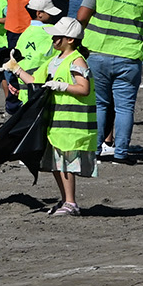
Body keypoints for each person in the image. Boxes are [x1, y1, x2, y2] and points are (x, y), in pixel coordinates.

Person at [79, 0, 143, 162]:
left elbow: (82, 16)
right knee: (125, 107)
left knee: (100, 103)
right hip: (129, 55)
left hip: (98, 52)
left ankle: (94, 149)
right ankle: (120, 152)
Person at [34, 17, 97, 215]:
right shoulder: (54, 60)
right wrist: (15, 69)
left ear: (70, 39)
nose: (53, 39)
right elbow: (36, 81)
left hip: (72, 125)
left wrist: (62, 86)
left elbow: (84, 88)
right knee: (55, 163)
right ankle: (65, 201)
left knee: (66, 163)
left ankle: (71, 202)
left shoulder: (77, 60)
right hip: (56, 122)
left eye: (57, 36)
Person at [0, 0, 61, 111]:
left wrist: (14, 82)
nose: (53, 15)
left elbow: (15, 59)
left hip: (23, 89)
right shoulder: (52, 34)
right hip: (42, 88)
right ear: (39, 13)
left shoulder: (25, 33)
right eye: (50, 12)